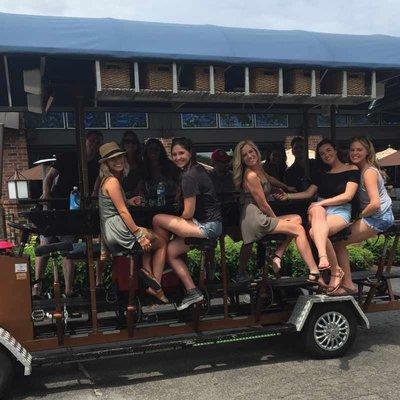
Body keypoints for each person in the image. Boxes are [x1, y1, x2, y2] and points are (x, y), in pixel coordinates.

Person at [232, 140, 323, 285]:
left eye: (251, 151)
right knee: (298, 229)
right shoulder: (250, 175)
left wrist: (286, 187)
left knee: (297, 219)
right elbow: (263, 204)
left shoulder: (259, 169)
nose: (249, 156)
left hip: (259, 215)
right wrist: (278, 222)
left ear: (256, 151)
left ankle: (278, 254)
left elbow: (270, 180)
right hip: (255, 217)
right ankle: (314, 270)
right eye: (245, 155)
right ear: (241, 159)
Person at [275, 139, 360, 293]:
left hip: (340, 210)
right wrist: (287, 196)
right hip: (320, 210)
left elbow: (348, 196)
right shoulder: (321, 173)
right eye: (321, 153)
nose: (326, 155)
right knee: (315, 210)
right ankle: (326, 261)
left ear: (335, 150)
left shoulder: (351, 169)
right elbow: (308, 193)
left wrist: (322, 203)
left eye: (328, 150)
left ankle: (334, 270)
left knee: (315, 231)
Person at [152, 137, 222, 310]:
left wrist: (175, 223)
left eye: (181, 153)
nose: (177, 157)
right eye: (174, 154)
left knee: (157, 219)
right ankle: (192, 291)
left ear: (190, 153)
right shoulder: (196, 169)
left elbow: (188, 213)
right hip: (211, 224)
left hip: (207, 226)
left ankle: (156, 279)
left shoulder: (189, 176)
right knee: (171, 251)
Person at [32, 130, 103, 298]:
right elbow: (48, 178)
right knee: (45, 244)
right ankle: (36, 289)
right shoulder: (67, 157)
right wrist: (46, 195)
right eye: (92, 141)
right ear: (85, 141)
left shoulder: (97, 166)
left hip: (74, 208)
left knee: (68, 246)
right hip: (55, 204)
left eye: (97, 142)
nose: (94, 144)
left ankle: (68, 290)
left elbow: (94, 191)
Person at [98, 141, 168, 303]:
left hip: (110, 231)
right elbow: (122, 212)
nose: (118, 161)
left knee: (149, 239)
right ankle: (156, 285)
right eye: (113, 160)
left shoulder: (107, 181)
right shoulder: (113, 182)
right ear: (106, 164)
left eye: (120, 157)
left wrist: (129, 201)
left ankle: (147, 273)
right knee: (161, 242)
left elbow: (113, 206)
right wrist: (138, 235)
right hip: (118, 230)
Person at [333, 137, 394, 295]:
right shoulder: (358, 170)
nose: (355, 153)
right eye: (352, 150)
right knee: (337, 241)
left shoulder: (368, 172)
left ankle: (348, 285)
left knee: (339, 243)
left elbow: (375, 204)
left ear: (367, 152)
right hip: (375, 215)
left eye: (359, 150)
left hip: (379, 217)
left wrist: (356, 218)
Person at [120, 130, 144, 199]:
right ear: (123, 144)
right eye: (127, 142)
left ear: (137, 145)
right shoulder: (117, 162)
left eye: (133, 142)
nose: (131, 144)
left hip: (137, 200)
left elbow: (141, 184)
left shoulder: (141, 164)